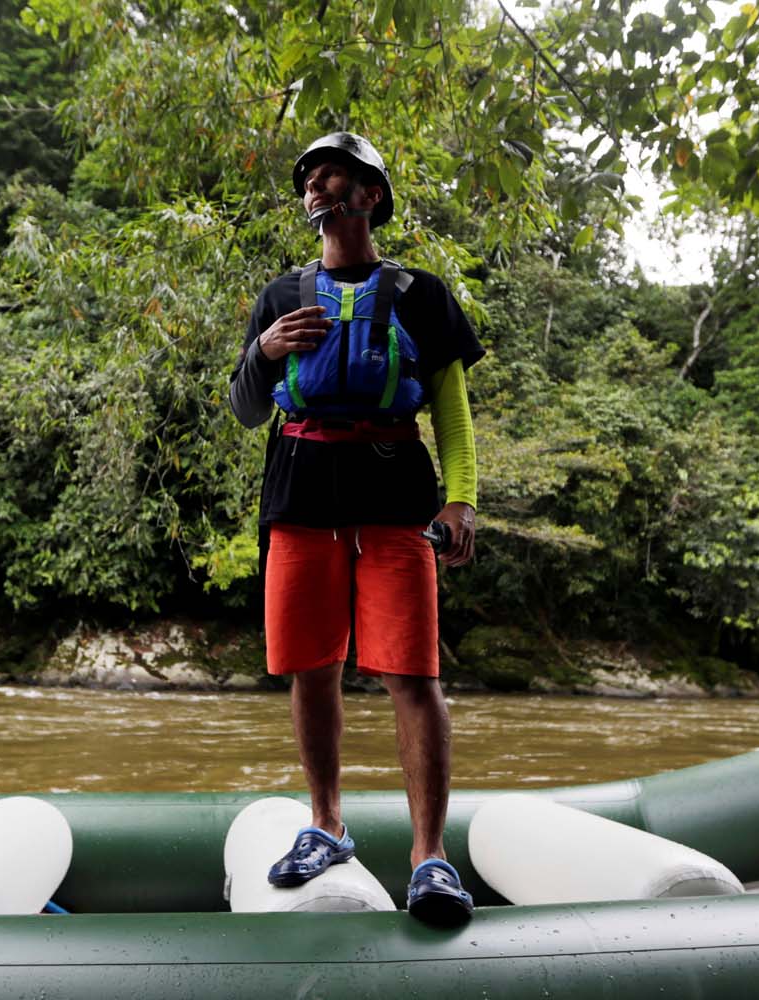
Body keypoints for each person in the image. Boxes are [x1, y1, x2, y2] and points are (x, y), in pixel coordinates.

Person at [228, 132, 483, 925]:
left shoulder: (421, 293)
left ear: (369, 195)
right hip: (300, 489)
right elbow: (243, 409)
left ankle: (428, 857)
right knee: (310, 666)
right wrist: (265, 352)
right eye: (308, 178)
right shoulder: (279, 296)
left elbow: (449, 404)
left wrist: (463, 495)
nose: (316, 186)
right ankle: (326, 826)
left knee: (413, 674)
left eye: (332, 175)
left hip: (397, 490)